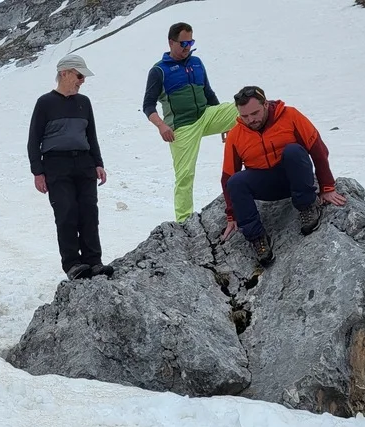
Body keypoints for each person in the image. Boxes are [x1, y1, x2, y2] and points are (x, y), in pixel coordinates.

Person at [218, 86, 348, 265]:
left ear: (265, 104)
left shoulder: (290, 116)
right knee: (236, 181)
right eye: (245, 116)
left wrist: (327, 187)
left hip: (295, 177)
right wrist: (232, 215)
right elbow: (227, 177)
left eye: (254, 113)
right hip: (265, 184)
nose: (250, 120)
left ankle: (307, 207)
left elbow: (317, 149)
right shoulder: (235, 135)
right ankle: (258, 238)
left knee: (293, 151)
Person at [142, 21, 240, 223]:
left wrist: (224, 122)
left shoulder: (197, 62)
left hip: (205, 115)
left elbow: (209, 93)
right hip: (181, 127)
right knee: (185, 175)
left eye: (191, 42)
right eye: (183, 44)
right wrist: (161, 126)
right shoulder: (158, 71)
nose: (187, 48)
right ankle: (184, 221)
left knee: (242, 108)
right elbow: (148, 105)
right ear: (171, 43)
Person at [27, 54, 112, 281]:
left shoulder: (85, 102)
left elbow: (91, 135)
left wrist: (98, 163)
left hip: (84, 163)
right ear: (64, 73)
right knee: (66, 213)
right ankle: (73, 264)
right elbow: (34, 139)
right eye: (79, 75)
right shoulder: (45, 102)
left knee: (89, 212)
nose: (82, 80)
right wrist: (38, 172)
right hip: (56, 165)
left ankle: (94, 261)